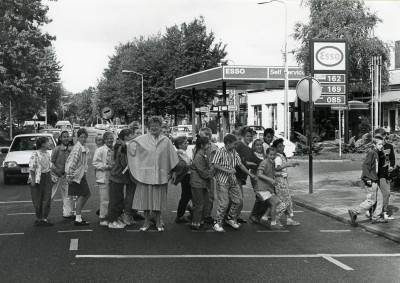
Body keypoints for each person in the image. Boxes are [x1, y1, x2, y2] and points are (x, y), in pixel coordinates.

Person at [127, 116, 179, 231]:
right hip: (145, 175)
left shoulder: (166, 141)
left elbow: (172, 157)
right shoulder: (141, 139)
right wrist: (122, 143)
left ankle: (158, 222)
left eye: (157, 125)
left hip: (160, 175)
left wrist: (173, 171)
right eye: (152, 125)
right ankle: (146, 222)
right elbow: (130, 147)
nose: (154, 127)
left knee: (158, 200)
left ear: (161, 127)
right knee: (145, 200)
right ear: (148, 127)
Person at [212, 134, 255, 232]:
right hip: (222, 181)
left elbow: (240, 165)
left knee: (237, 200)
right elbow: (215, 165)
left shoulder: (234, 152)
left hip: (232, 180)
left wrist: (250, 174)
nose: (235, 145)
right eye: (233, 143)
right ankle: (217, 222)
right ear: (228, 143)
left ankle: (230, 218)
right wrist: (228, 170)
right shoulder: (220, 151)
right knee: (224, 203)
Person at [348, 135, 388, 226]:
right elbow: (365, 166)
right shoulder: (371, 153)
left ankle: (376, 216)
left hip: (375, 180)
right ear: (374, 145)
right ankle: (354, 211)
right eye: (379, 144)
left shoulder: (377, 153)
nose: (382, 146)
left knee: (380, 198)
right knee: (371, 201)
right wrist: (366, 178)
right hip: (370, 180)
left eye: (382, 144)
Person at [232, 126, 259, 223]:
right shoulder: (238, 146)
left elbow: (256, 161)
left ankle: (235, 216)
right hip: (234, 176)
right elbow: (234, 158)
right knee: (239, 200)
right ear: (243, 136)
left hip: (241, 177)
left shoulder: (249, 149)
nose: (249, 138)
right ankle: (231, 218)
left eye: (251, 136)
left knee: (238, 199)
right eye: (247, 136)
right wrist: (246, 163)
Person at [65, 128, 91, 226]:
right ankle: (78, 217)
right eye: (81, 137)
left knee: (85, 194)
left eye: (85, 137)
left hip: (80, 175)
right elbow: (71, 162)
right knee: (83, 195)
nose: (83, 139)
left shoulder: (82, 146)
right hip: (76, 175)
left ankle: (77, 214)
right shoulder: (78, 148)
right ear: (77, 137)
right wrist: (69, 175)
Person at [273, 138, 300, 226]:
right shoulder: (277, 157)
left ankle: (289, 218)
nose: (282, 147)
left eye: (282, 146)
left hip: (283, 181)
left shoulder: (281, 155)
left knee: (288, 200)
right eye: (279, 146)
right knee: (285, 201)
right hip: (280, 181)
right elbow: (277, 168)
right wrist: (289, 165)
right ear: (275, 148)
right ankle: (275, 218)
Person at [194, 127, 219, 224]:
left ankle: (206, 214)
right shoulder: (198, 147)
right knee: (201, 197)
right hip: (202, 175)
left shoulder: (213, 147)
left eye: (201, 135)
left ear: (208, 137)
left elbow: (214, 162)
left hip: (209, 174)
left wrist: (211, 173)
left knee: (210, 196)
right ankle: (199, 216)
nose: (199, 137)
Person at [29, 137, 54, 226]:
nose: (50, 144)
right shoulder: (35, 154)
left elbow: (50, 166)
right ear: (43, 144)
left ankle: (44, 218)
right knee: (38, 198)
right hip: (38, 178)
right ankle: (39, 218)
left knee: (47, 197)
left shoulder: (47, 154)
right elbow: (32, 168)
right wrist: (32, 180)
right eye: (48, 142)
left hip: (47, 176)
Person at [92, 132, 115, 227]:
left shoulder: (113, 149)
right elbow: (95, 163)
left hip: (113, 177)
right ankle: (103, 218)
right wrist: (106, 166)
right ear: (104, 140)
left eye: (111, 138)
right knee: (104, 199)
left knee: (111, 198)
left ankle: (110, 216)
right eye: (108, 138)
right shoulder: (100, 150)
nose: (110, 140)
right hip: (103, 177)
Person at [51, 130, 74, 220]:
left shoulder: (70, 149)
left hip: (66, 175)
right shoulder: (57, 149)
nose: (66, 138)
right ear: (60, 138)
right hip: (56, 175)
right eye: (64, 137)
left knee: (68, 194)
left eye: (67, 137)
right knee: (52, 194)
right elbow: (51, 162)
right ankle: (43, 215)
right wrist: (57, 171)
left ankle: (67, 213)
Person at [373, 128, 395, 220]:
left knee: (386, 193)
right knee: (376, 194)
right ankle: (375, 211)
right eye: (376, 137)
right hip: (375, 174)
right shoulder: (375, 147)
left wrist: (392, 166)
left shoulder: (389, 147)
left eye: (379, 136)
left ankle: (384, 211)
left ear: (384, 136)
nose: (377, 138)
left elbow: (392, 158)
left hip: (384, 174)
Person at [256, 147, 281, 230]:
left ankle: (264, 218)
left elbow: (272, 173)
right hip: (262, 187)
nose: (272, 156)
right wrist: (270, 180)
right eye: (270, 154)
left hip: (268, 188)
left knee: (276, 201)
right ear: (266, 155)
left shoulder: (271, 163)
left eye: (274, 155)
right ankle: (273, 223)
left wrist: (280, 174)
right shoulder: (264, 163)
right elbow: (259, 174)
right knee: (273, 203)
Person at [190, 136, 212, 230]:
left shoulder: (203, 154)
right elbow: (202, 172)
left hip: (202, 183)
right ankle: (196, 222)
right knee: (199, 204)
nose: (209, 144)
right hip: (197, 183)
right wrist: (211, 174)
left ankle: (200, 220)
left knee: (206, 202)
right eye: (207, 143)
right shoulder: (199, 156)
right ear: (202, 145)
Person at [173, 136, 193, 223]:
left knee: (189, 195)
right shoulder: (179, 153)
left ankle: (191, 211)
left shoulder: (183, 152)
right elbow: (185, 164)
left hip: (187, 176)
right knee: (186, 196)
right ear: (179, 145)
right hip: (186, 176)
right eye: (185, 143)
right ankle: (180, 216)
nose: (187, 144)